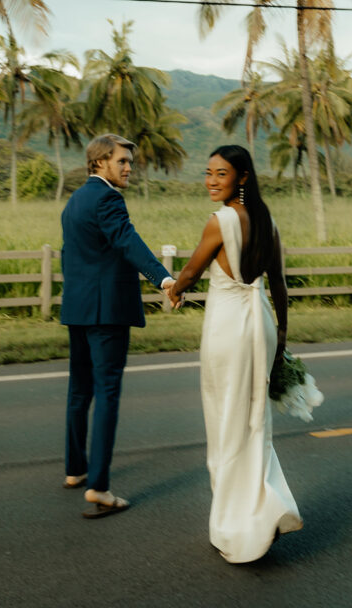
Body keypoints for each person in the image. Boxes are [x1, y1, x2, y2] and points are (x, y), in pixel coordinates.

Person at [168, 144, 302, 563]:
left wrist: (173, 291)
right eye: (208, 172)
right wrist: (281, 335)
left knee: (225, 422)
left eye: (220, 174)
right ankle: (267, 506)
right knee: (253, 420)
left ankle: (236, 526)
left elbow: (190, 271)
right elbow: (278, 283)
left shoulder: (221, 220)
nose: (210, 180)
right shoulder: (267, 220)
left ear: (242, 177)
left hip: (227, 328)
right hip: (259, 323)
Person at [60, 133, 176, 519]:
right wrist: (163, 277)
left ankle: (76, 469)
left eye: (129, 162)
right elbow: (127, 241)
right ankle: (100, 487)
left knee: (80, 391)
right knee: (107, 394)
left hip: (78, 309)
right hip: (108, 311)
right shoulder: (109, 198)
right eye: (122, 161)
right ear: (99, 163)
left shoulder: (75, 200)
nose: (129, 168)